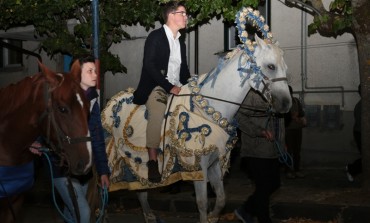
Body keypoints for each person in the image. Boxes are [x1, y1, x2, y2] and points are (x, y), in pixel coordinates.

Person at [30, 56, 110, 223]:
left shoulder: (92, 100)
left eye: (95, 70)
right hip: (61, 167)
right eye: (90, 71)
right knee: (83, 212)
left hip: (82, 166)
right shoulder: (62, 96)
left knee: (71, 211)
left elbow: (96, 137)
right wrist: (35, 140)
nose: (95, 74)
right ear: (77, 75)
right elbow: (44, 120)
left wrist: (103, 170)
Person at [133, 1, 190, 183]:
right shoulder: (155, 37)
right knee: (157, 112)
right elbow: (149, 65)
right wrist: (168, 87)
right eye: (182, 13)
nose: (186, 17)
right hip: (156, 87)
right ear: (171, 15)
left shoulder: (181, 41)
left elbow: (184, 70)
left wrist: (192, 84)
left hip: (176, 86)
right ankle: (152, 161)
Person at [234, 89, 285, 223]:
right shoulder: (251, 95)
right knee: (263, 187)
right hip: (255, 150)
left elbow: (279, 120)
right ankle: (263, 219)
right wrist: (259, 131)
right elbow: (240, 118)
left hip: (272, 149)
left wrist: (282, 142)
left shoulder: (276, 93)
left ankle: (246, 210)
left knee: (274, 183)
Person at [284, 85, 307, 179]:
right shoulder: (283, 103)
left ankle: (297, 170)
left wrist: (302, 120)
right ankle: (288, 171)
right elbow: (282, 116)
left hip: (298, 129)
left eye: (289, 92)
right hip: (288, 130)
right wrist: (292, 117)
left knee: (297, 151)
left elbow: (301, 113)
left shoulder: (296, 101)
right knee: (288, 151)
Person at [346, 84, 362, 182]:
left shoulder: (360, 104)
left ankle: (352, 169)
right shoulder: (362, 105)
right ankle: (352, 169)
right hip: (360, 133)